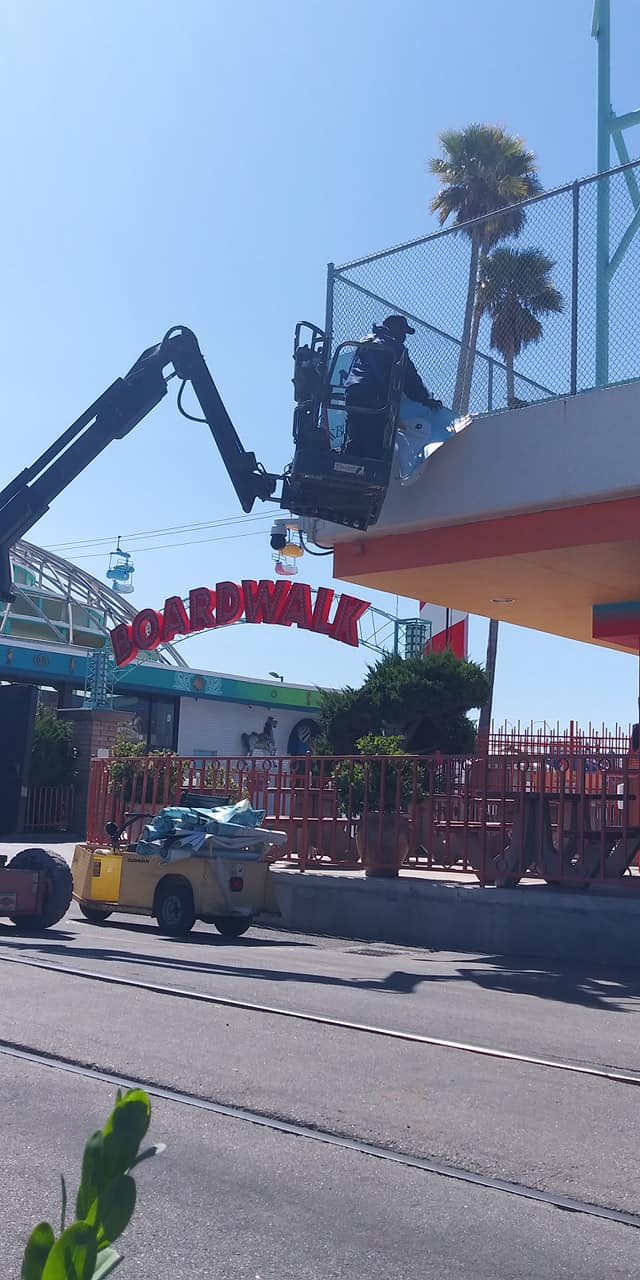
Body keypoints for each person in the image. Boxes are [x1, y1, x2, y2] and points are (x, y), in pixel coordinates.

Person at [343, 314, 442, 458]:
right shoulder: (393, 346)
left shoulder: (366, 342)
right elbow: (410, 379)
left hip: (353, 393)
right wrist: (425, 399)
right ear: (395, 328)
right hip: (374, 398)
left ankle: (348, 464)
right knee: (374, 442)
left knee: (356, 434)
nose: (404, 336)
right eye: (403, 331)